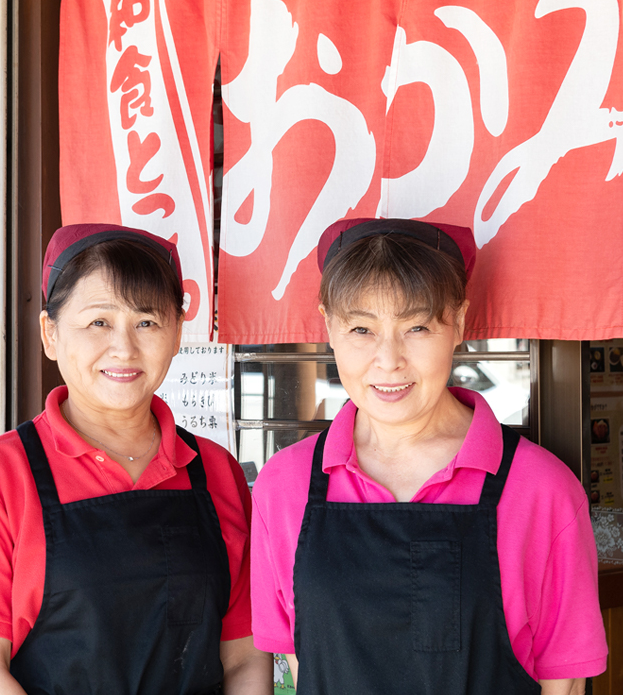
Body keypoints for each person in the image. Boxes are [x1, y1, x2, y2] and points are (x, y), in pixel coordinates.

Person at [250, 218, 607, 695]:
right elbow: (300, 664)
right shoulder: (284, 486)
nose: (388, 359)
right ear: (329, 326)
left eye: (416, 326)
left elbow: (564, 684)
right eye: (361, 328)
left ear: (458, 322)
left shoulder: (542, 489)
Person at [0, 223, 272, 695]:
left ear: (176, 333)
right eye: (99, 322)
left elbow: (245, 660)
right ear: (50, 333)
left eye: (147, 322)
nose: (124, 348)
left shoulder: (215, 471)